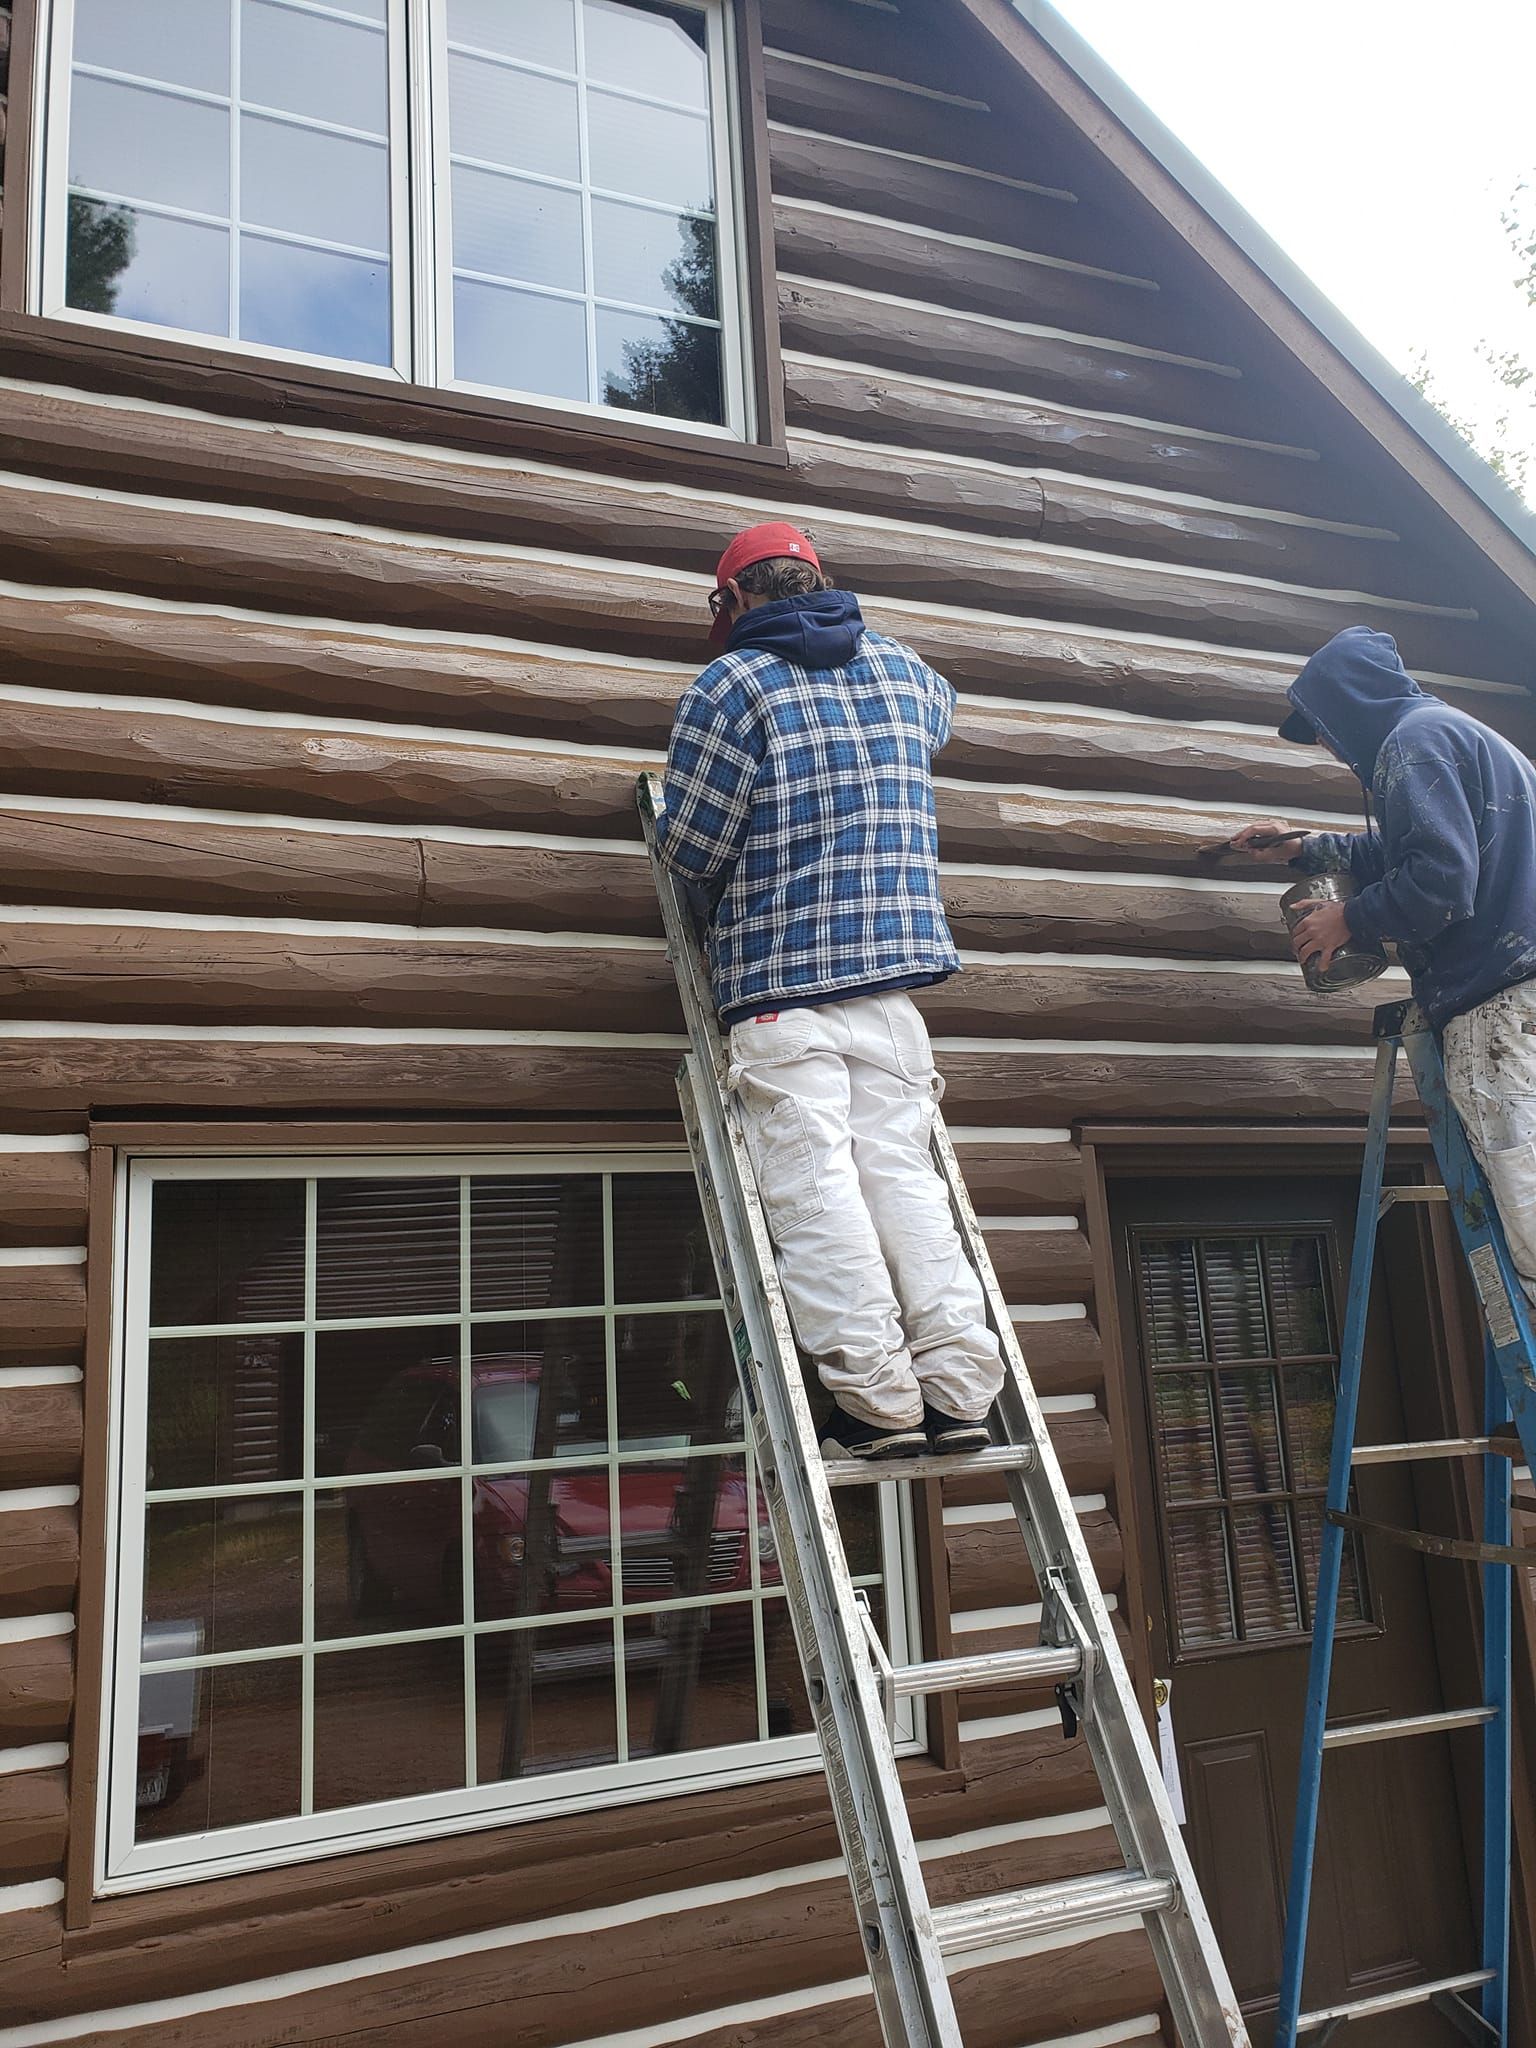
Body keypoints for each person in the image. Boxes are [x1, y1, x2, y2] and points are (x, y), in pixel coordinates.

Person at [655, 521, 1005, 1459]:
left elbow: (692, 847)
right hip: (893, 995)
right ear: (822, 580)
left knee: (818, 1194)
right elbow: (940, 713)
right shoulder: (904, 673)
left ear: (731, 601)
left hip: (780, 988)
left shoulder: (731, 687)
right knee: (903, 1181)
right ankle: (960, 1389)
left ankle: (877, 1404)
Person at [1232, 623, 1536, 1304]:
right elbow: (1407, 852)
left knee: (1524, 1186)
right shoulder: (1452, 732)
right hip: (1522, 986)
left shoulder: (1412, 745)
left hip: (1498, 1002)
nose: (1331, 751)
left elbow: (1439, 882)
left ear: (1349, 708)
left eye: (1324, 731)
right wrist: (1301, 848)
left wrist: (1351, 919)